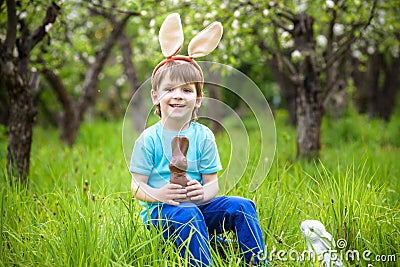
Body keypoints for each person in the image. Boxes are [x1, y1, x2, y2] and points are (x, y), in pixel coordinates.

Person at [129, 13, 267, 267]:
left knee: (242, 207)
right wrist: (158, 194)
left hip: (198, 206)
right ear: (155, 97)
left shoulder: (204, 136)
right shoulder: (147, 139)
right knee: (188, 214)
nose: (178, 96)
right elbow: (136, 186)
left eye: (187, 90)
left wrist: (202, 192)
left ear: (199, 98)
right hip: (163, 213)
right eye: (169, 89)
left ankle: (256, 262)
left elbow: (213, 184)